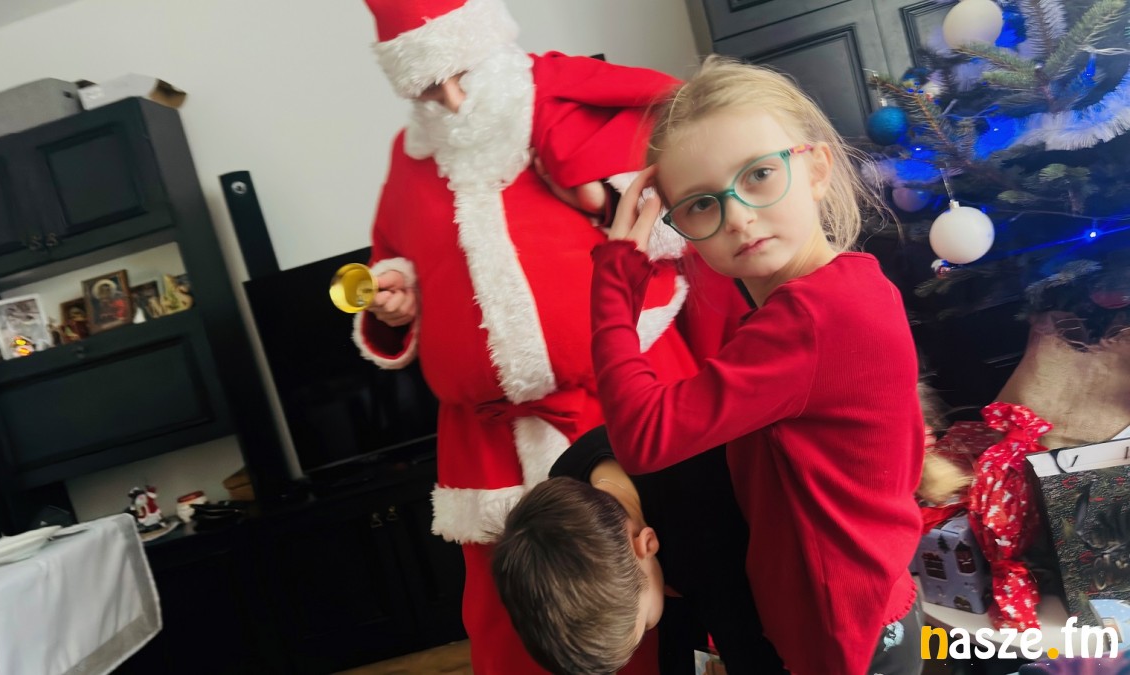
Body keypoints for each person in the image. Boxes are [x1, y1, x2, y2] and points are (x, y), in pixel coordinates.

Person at [353, 0, 736, 672]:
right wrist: (395, 302)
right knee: (517, 620)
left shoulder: (563, 102)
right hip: (491, 442)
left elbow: (685, 200)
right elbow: (395, 262)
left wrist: (602, 198)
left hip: (623, 396)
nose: (451, 99)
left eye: (461, 72)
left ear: (488, 44)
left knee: (678, 574)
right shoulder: (410, 158)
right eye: (429, 87)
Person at [590, 58, 926, 675]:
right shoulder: (847, 288)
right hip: (868, 611)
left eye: (760, 175)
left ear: (817, 169)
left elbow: (641, 436)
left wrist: (616, 277)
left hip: (843, 640)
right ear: (679, 226)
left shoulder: (812, 319)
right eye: (701, 204)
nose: (739, 216)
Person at [492, 426, 785, 675]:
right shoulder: (565, 482)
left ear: (648, 543)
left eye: (643, 626)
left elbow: (749, 648)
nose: (645, 632)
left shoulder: (703, 534)